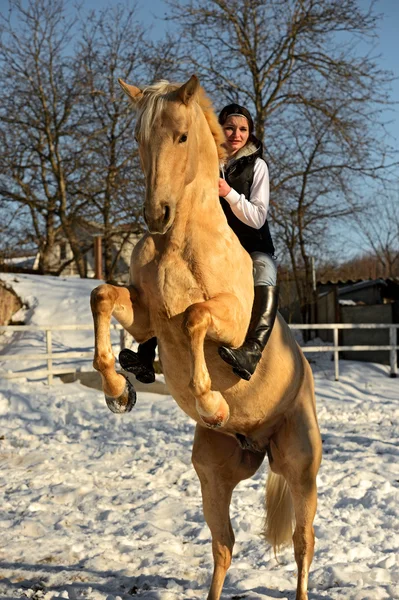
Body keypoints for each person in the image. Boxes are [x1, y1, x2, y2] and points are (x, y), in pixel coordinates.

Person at [119, 103, 278, 382]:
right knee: (168, 276)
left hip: (249, 245)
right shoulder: (208, 162)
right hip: (210, 247)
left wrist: (228, 193)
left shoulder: (258, 166)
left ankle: (253, 349)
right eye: (229, 127)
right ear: (219, 129)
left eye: (243, 129)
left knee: (266, 270)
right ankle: (146, 350)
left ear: (250, 134)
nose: (235, 134)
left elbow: (258, 217)